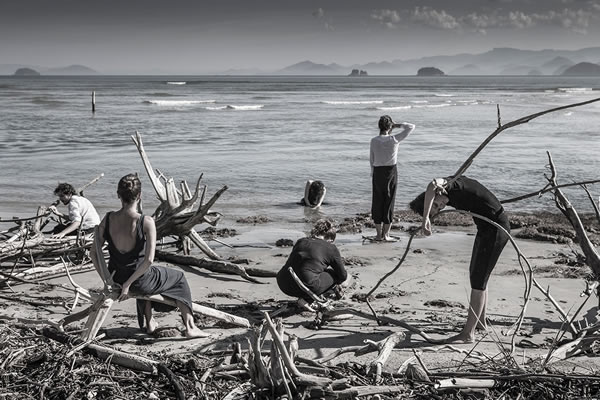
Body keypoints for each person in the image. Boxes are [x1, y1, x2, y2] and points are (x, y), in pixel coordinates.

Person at [90, 173, 208, 338]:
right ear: (139, 196)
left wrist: (107, 279)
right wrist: (128, 285)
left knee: (144, 273)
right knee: (178, 277)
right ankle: (190, 326)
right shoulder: (146, 222)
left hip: (116, 278)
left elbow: (93, 253)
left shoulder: (108, 219)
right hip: (137, 282)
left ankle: (149, 322)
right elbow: (149, 260)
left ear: (118, 195)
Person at [409, 176, 510, 344]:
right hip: (485, 229)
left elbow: (433, 183)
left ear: (432, 196)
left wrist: (426, 216)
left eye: (436, 204)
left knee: (479, 281)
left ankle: (468, 334)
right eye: (438, 209)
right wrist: (430, 209)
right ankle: (480, 323)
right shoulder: (449, 193)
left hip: (496, 229)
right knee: (477, 276)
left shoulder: (451, 184)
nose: (440, 206)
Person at [276, 219, 350, 311]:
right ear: (330, 239)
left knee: (308, 271)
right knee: (333, 274)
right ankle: (306, 299)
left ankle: (306, 297)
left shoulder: (301, 241)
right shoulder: (331, 248)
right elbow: (342, 276)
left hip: (283, 283)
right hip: (305, 285)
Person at [370, 115, 415, 241]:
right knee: (389, 201)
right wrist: (397, 125)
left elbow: (371, 159)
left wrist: (372, 173)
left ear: (379, 126)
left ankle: (378, 235)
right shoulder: (394, 139)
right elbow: (411, 127)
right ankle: (386, 235)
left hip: (377, 172)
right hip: (390, 172)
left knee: (377, 201)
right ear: (390, 127)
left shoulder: (374, 140)